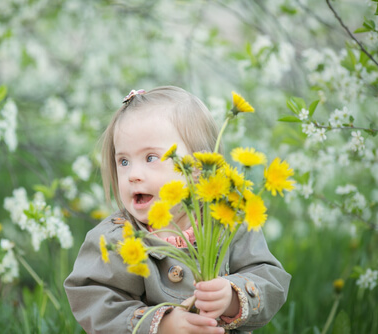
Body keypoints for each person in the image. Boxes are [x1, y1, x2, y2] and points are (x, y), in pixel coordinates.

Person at [64, 86, 291, 334]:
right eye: (124, 161)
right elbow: (94, 300)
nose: (133, 175)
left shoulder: (227, 222)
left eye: (151, 158)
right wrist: (160, 325)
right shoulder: (117, 239)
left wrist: (231, 296)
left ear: (198, 167)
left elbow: (270, 279)